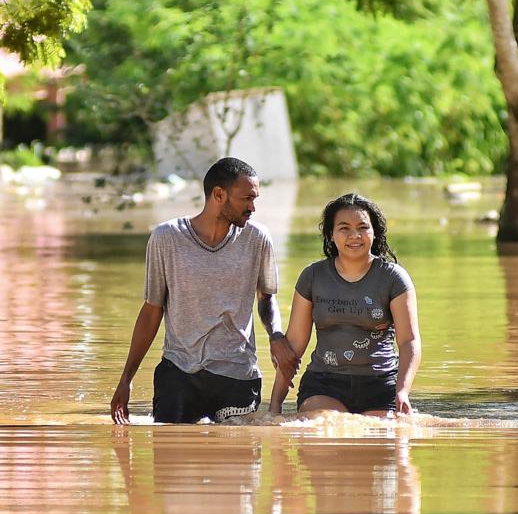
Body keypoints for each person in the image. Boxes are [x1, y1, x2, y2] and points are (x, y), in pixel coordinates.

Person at [111, 157, 297, 424]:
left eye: (255, 199)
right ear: (219, 194)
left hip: (238, 376)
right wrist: (126, 379)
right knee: (170, 457)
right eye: (246, 199)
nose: (252, 207)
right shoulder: (166, 238)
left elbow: (266, 298)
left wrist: (276, 335)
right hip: (179, 375)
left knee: (240, 462)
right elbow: (152, 311)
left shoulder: (257, 239)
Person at [269, 192, 420, 417]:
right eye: (344, 228)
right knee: (326, 425)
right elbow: (294, 345)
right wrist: (274, 406)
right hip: (324, 385)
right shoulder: (312, 276)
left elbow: (409, 341)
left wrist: (402, 392)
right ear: (331, 235)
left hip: (381, 384)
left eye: (362, 227)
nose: (354, 235)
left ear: (374, 232)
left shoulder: (394, 278)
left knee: (382, 437)